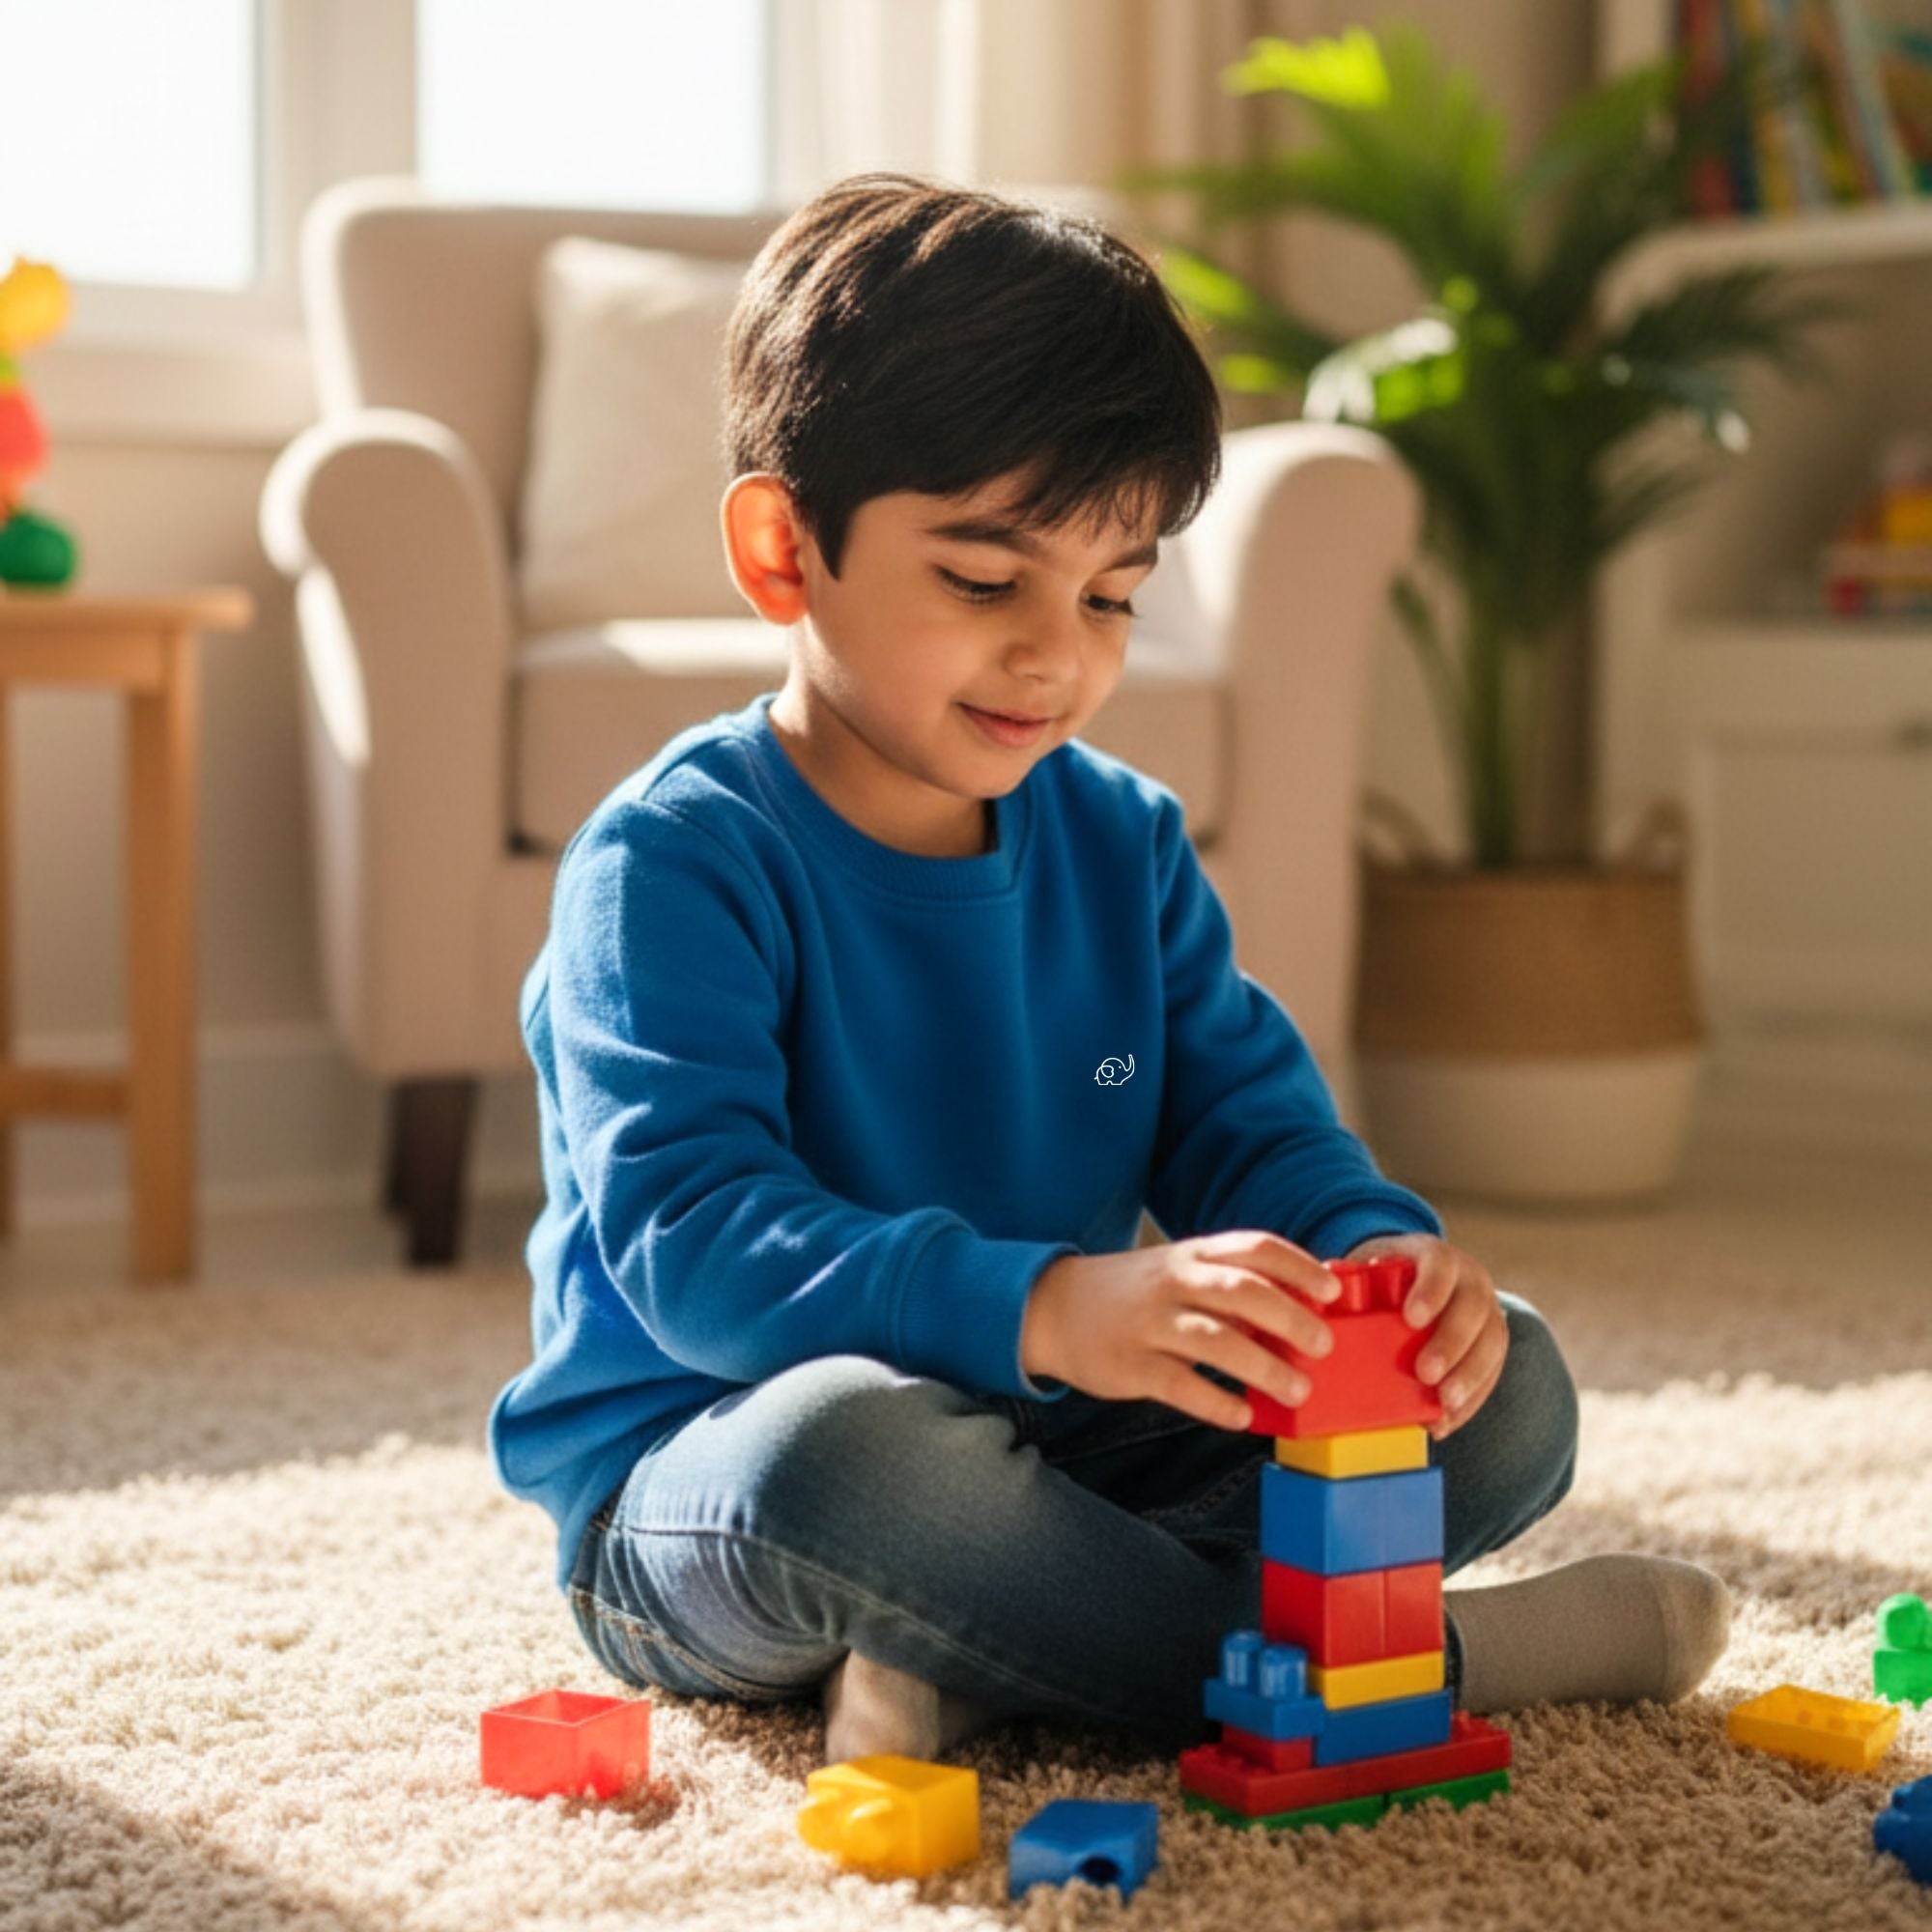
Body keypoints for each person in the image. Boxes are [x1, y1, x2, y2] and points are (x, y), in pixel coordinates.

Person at [486, 172, 1730, 1768]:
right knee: (849, 1463)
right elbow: (699, 1243)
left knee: (1509, 1390)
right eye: (986, 582)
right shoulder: (669, 861)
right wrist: (1054, 1307)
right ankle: (1443, 1654)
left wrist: (1373, 1258)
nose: (1055, 656)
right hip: (714, 1480)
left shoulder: (1124, 843)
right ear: (785, 550)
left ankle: (1004, 1646)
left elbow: (1251, 1133)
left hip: (1056, 1458)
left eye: (1112, 596)